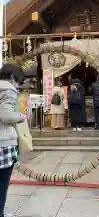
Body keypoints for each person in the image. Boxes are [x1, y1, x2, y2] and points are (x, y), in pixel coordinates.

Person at [0, 64, 25, 217]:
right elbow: (6, 116)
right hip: (3, 142)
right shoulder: (7, 89)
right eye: (18, 81)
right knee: (2, 183)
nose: (17, 85)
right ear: (11, 77)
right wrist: (21, 116)